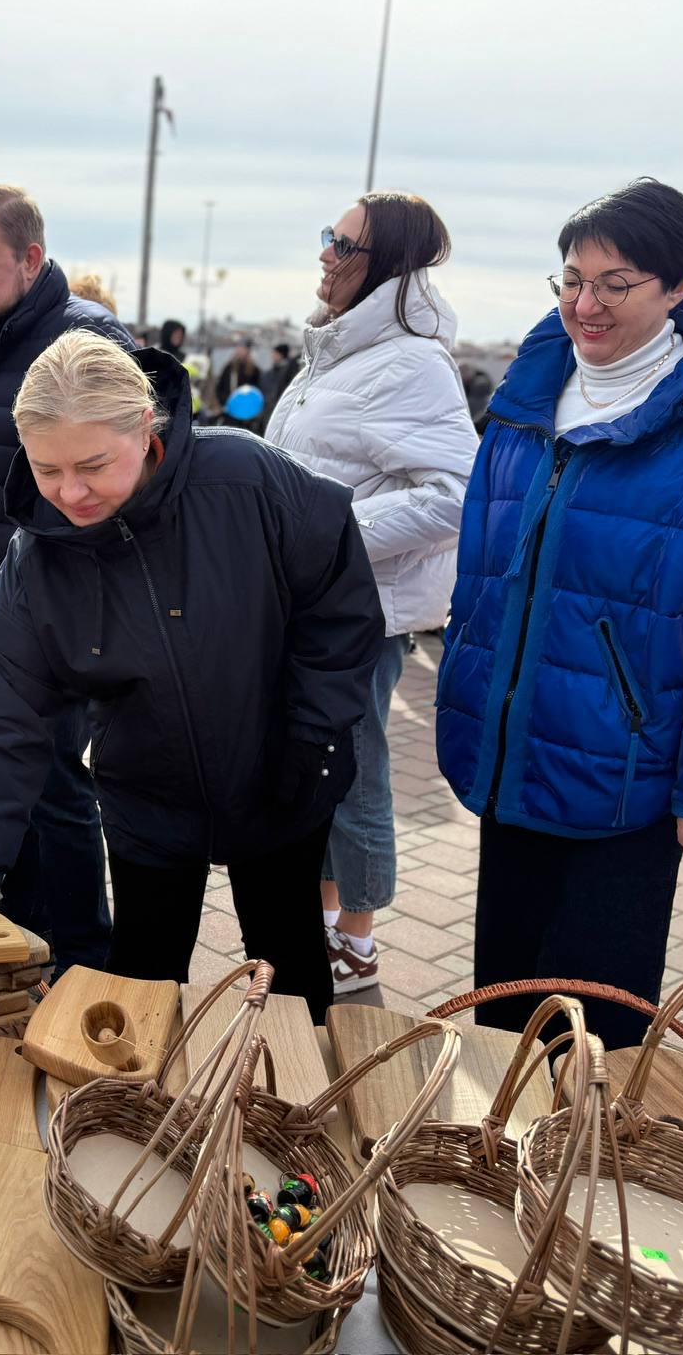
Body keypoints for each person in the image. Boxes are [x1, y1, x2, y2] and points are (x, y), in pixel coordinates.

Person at [435, 178, 683, 1050]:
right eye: (570, 279)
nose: (585, 305)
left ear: (679, 289)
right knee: (502, 1018)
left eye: (616, 283)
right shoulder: (530, 394)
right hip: (510, 752)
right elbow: (483, 567)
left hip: (628, 775)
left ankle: (583, 1182)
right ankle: (496, 1177)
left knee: (591, 1040)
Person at [0, 332, 384, 1018]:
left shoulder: (247, 478)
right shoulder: (37, 564)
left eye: (92, 465)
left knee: (290, 966)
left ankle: (297, 1107)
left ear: (146, 428)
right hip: (147, 799)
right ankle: (137, 1113)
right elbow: (4, 715)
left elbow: (338, 605)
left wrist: (315, 735)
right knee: (143, 982)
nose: (71, 492)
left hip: (280, 775)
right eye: (46, 470)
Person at [0, 184, 135, 975]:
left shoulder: (81, 344)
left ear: (31, 259)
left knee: (54, 790)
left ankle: (81, 957)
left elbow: (121, 492)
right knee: (13, 781)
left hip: (54, 621)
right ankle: (12, 928)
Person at [267, 190, 475, 998]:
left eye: (342, 243)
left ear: (384, 264)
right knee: (317, 766)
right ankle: (324, 917)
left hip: (360, 612)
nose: (324, 252)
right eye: (326, 235)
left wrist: (325, 531)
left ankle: (358, 937)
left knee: (352, 771)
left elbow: (458, 491)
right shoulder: (341, 351)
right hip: (312, 604)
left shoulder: (412, 362)